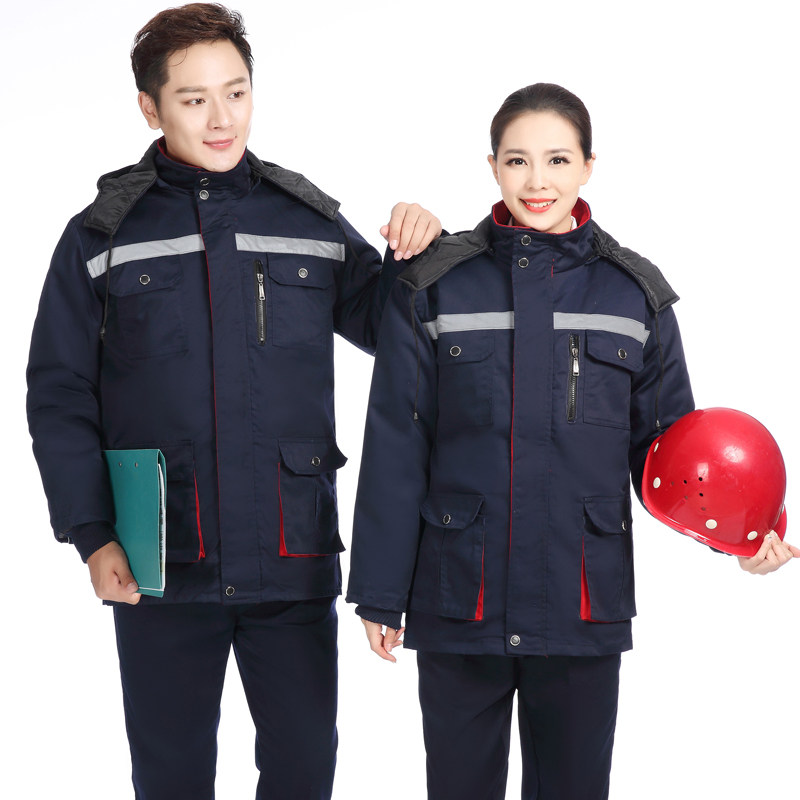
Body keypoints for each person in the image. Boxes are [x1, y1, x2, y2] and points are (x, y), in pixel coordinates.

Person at [26, 4, 441, 799]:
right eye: (194, 99)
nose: (222, 119)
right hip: (161, 557)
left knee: (304, 769)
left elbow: (392, 330)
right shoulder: (101, 236)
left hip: (291, 551)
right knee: (171, 775)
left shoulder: (304, 218)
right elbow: (60, 394)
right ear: (150, 109)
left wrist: (416, 253)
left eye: (237, 92)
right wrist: (92, 534)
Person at [346, 82, 797, 800]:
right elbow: (397, 445)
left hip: (580, 602)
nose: (538, 181)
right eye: (517, 160)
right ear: (492, 166)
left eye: (558, 159)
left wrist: (738, 541)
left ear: (589, 165)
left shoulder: (633, 295)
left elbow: (670, 457)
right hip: (459, 598)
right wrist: (379, 592)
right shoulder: (436, 286)